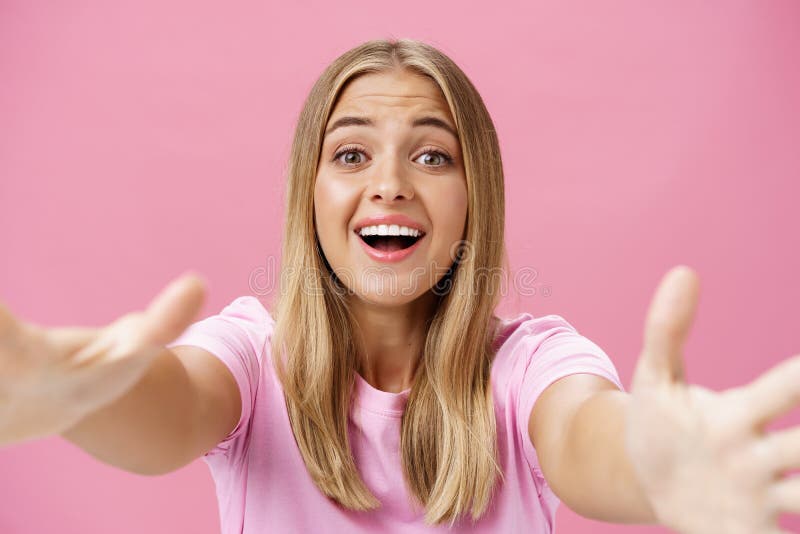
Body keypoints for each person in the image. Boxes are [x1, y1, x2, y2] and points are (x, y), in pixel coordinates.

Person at [1, 39, 798, 534]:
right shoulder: (250, 355)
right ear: (307, 197)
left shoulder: (531, 367)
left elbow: (586, 436)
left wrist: (651, 469)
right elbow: (166, 415)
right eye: (350, 155)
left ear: (472, 199)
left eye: (432, 155)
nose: (389, 184)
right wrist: (76, 399)